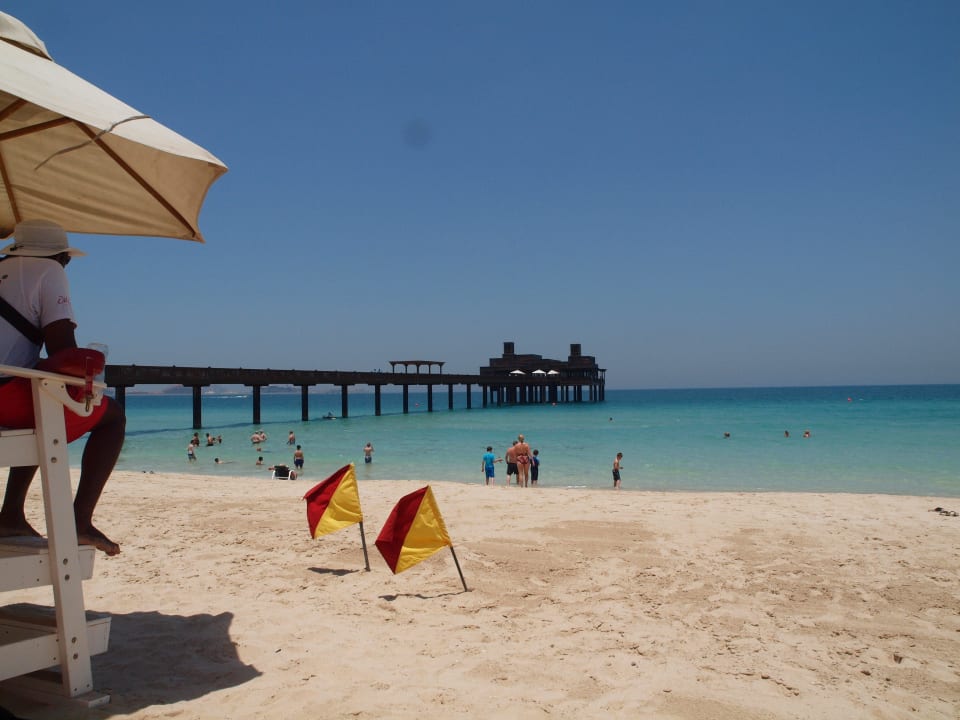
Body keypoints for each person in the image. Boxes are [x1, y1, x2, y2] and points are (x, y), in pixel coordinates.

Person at [0, 220, 126, 555]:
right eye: (66, 260)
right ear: (59, 256)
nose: (66, 265)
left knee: (43, 402)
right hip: (4, 392)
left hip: (11, 387)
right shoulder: (47, 270)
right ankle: (79, 521)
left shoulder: (4, 271)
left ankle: (11, 513)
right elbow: (62, 349)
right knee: (112, 417)